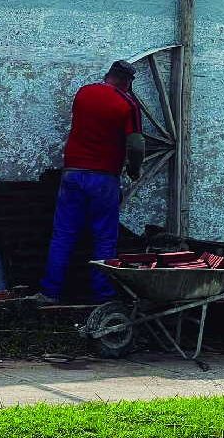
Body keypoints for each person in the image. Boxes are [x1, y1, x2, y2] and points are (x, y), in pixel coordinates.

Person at [32, 60, 145, 304]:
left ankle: (49, 293)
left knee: (63, 234)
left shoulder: (84, 93)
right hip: (103, 177)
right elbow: (136, 144)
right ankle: (102, 297)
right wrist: (134, 169)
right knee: (104, 237)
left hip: (72, 174)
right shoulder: (128, 104)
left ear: (108, 75)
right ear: (128, 82)